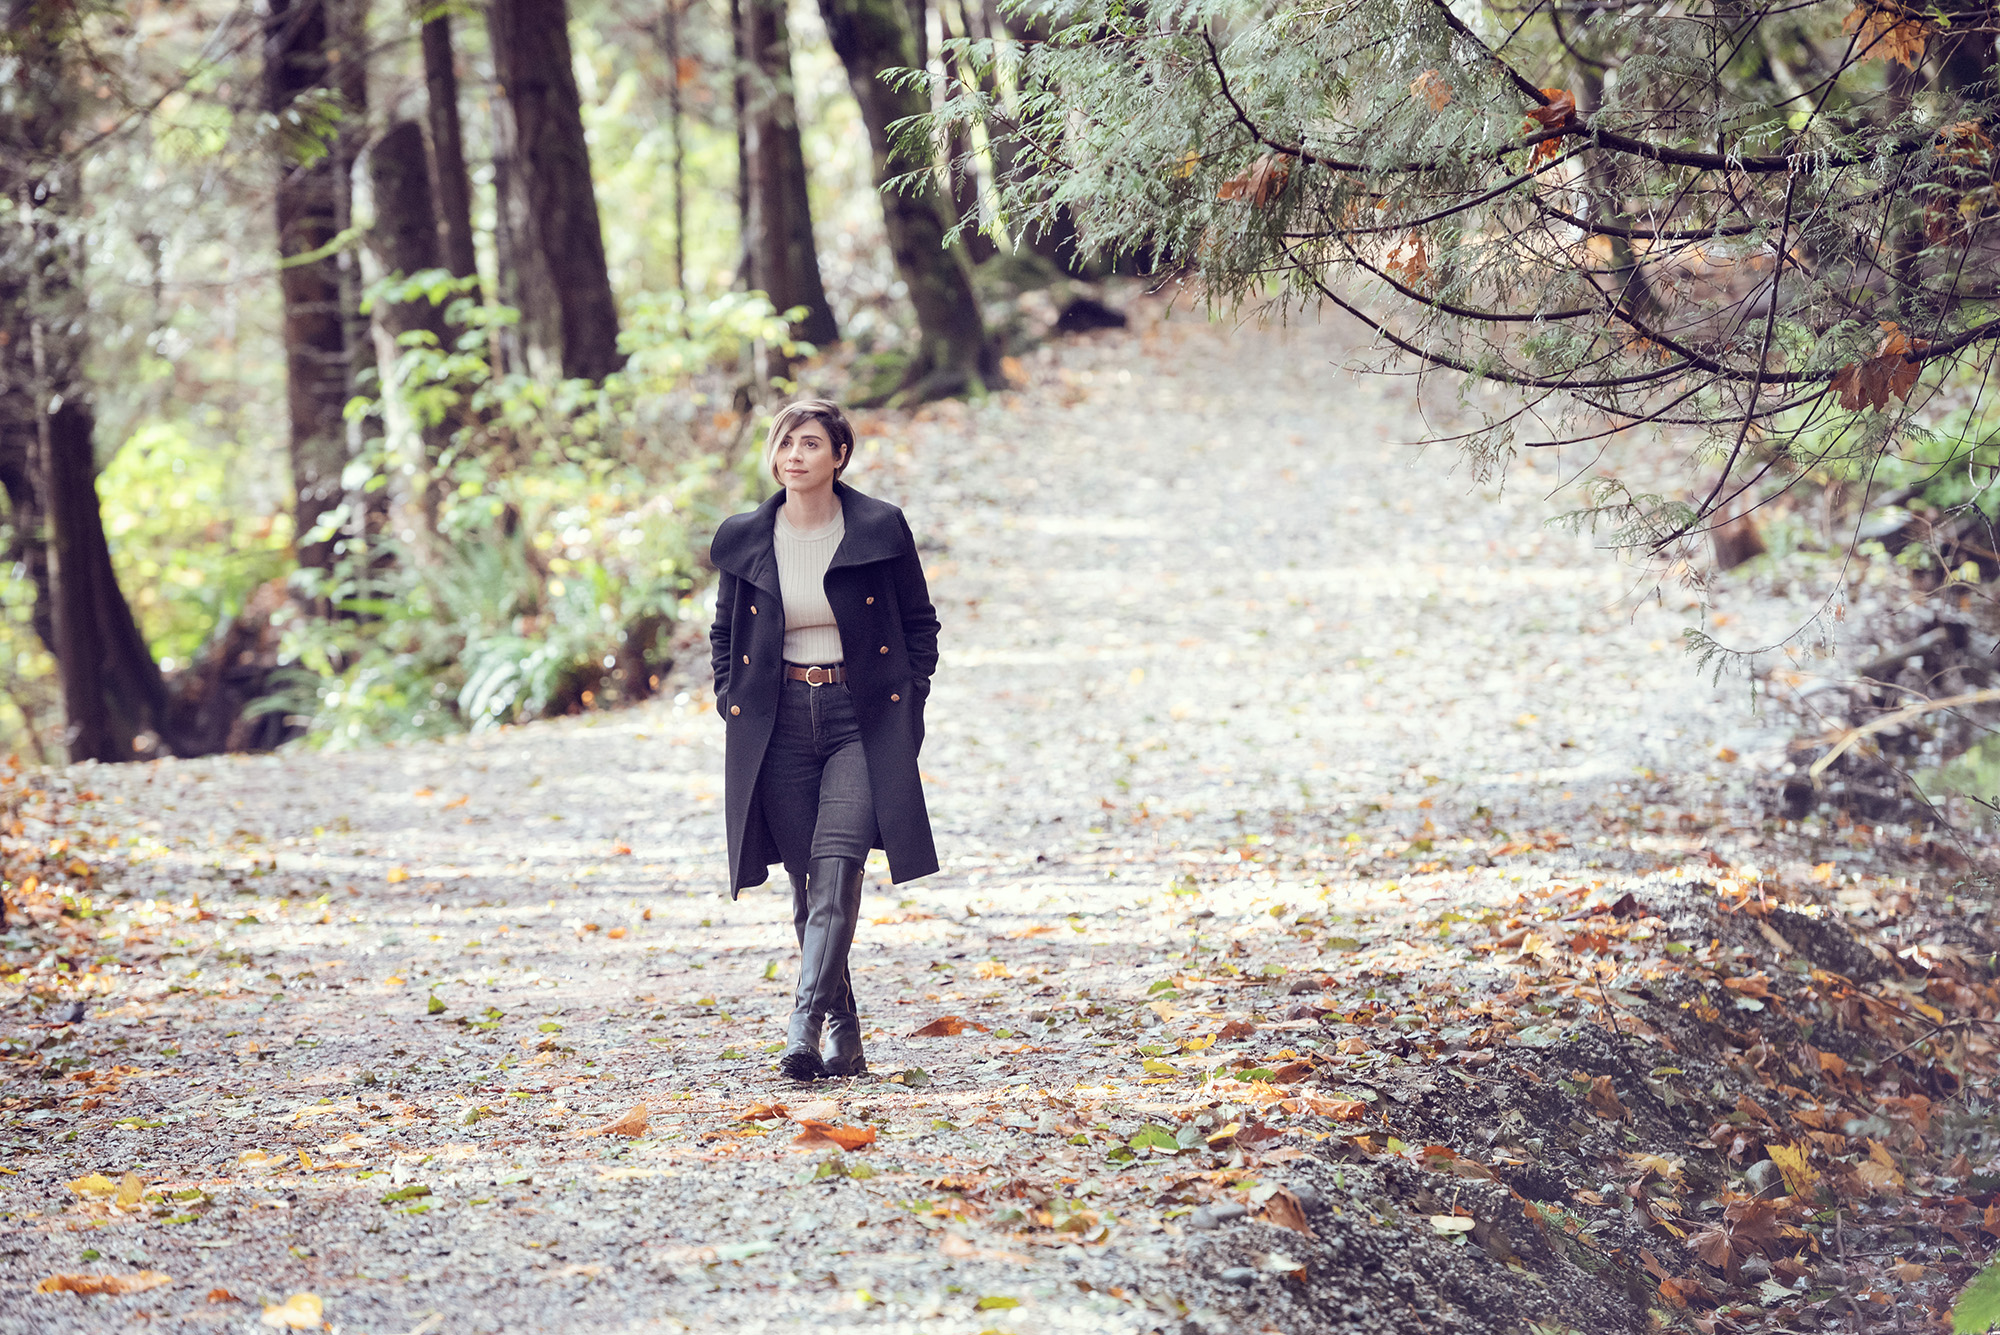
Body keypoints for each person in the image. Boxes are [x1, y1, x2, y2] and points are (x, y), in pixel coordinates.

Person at [707, 400, 941, 1081]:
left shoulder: (878, 527)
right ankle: (845, 1032)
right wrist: (731, 699)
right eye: (785, 443)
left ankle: (802, 1025)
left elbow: (920, 621)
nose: (795, 454)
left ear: (839, 455)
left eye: (810, 443)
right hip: (777, 721)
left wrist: (910, 695)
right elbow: (725, 635)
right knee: (809, 886)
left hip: (860, 715)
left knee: (839, 865)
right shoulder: (746, 535)